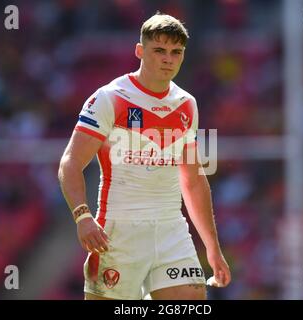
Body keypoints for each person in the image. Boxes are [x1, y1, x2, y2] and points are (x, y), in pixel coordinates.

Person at [58, 12, 231, 300]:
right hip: (119, 231)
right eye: (159, 50)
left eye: (176, 52)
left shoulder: (187, 104)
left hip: (171, 229)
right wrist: (82, 216)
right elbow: (71, 163)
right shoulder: (109, 97)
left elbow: (193, 180)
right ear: (140, 51)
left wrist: (212, 248)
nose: (168, 58)